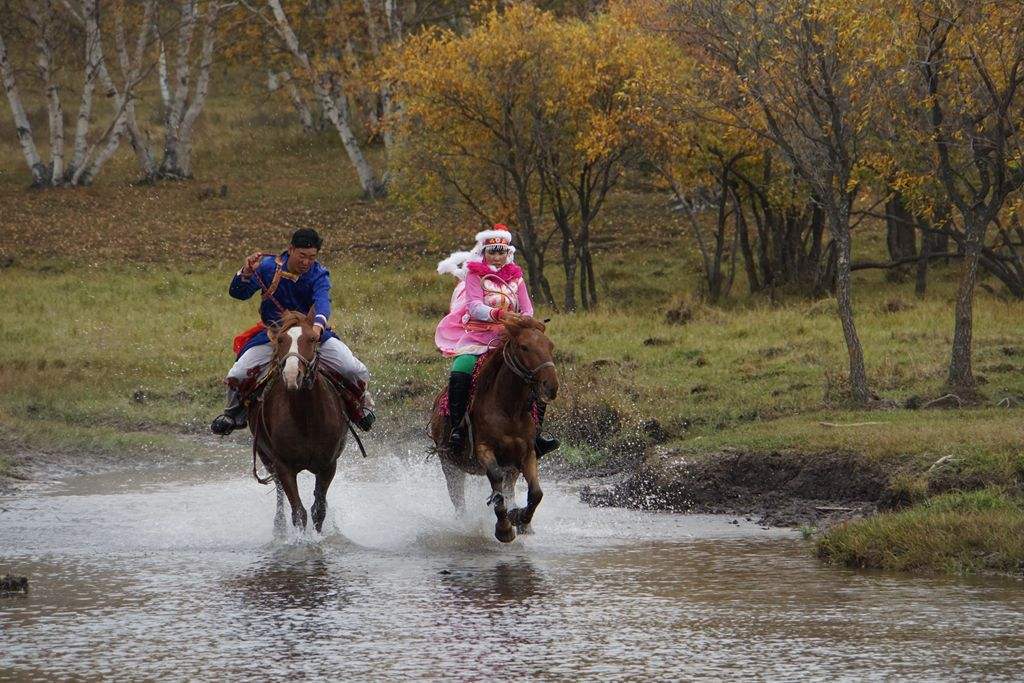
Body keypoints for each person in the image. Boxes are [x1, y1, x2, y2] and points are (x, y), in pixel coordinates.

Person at [210, 228, 375, 435]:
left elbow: (323, 302)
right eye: (302, 256)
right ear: (291, 250)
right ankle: (233, 414)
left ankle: (359, 408)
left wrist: (316, 328)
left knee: (354, 369)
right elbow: (238, 294)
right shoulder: (267, 268)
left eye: (312, 257)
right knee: (239, 373)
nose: (306, 262)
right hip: (275, 336)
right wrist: (246, 273)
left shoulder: (319, 274)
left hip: (312, 335)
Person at [435, 225, 559, 456]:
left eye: (501, 251)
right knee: (460, 370)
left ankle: (537, 434)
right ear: (484, 252)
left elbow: (528, 308)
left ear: (508, 253)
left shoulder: (517, 279)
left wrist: (522, 322)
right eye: (492, 251)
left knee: (536, 372)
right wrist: (500, 315)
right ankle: (457, 429)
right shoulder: (475, 275)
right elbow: (473, 306)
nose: (497, 256)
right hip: (477, 337)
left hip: (508, 337)